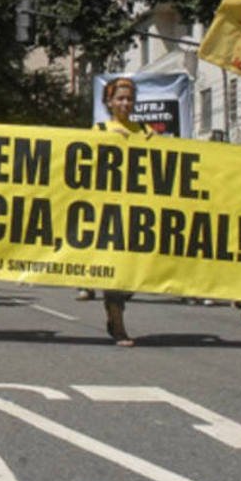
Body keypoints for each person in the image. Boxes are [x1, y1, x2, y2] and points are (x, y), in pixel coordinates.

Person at [94, 77, 154, 347]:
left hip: (139, 213)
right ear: (109, 102)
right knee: (114, 271)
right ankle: (118, 326)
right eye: (120, 98)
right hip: (109, 212)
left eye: (129, 99)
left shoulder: (145, 130)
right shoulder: (99, 129)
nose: (125, 103)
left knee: (134, 274)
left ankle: (114, 311)